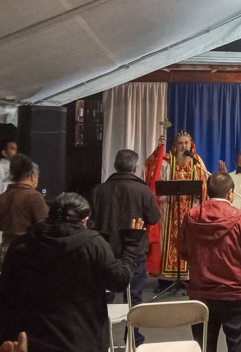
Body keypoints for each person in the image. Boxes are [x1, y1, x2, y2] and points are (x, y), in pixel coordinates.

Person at [0, 193, 146, 352]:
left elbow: (3, 300)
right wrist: (131, 245)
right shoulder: (93, 244)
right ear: (84, 219)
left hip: (31, 341)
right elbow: (119, 280)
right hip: (81, 339)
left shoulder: (21, 245)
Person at [177, 172, 241, 352]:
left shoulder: (191, 216)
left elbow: (182, 250)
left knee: (204, 346)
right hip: (234, 294)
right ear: (230, 193)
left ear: (207, 192)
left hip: (200, 294)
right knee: (238, 346)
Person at [90, 148, 160, 347]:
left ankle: (102, 340)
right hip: (134, 250)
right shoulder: (143, 190)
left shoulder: (99, 190)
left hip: (105, 250)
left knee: (103, 297)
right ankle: (133, 339)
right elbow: (154, 217)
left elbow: (91, 219)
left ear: (115, 166)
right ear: (134, 168)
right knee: (134, 298)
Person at [142, 130, 208, 279]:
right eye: (180, 143)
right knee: (167, 242)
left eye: (186, 143)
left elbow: (204, 182)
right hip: (168, 211)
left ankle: (187, 277)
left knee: (189, 241)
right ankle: (165, 279)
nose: (183, 146)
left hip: (191, 211)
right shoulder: (165, 161)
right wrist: (158, 150)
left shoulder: (197, 161)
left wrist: (202, 192)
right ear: (175, 146)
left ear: (191, 145)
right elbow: (151, 169)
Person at [0, 154, 49, 264]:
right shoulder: (34, 196)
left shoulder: (1, 198)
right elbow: (45, 227)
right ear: (33, 176)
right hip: (28, 252)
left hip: (6, 253)